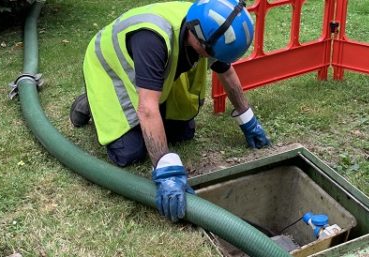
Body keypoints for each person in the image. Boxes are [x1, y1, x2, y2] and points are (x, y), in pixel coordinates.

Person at [69, 0, 270, 222]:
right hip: (110, 71)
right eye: (209, 53)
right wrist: (165, 170)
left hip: (149, 77)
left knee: (183, 132)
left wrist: (247, 118)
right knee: (130, 152)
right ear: (198, 38)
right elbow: (147, 109)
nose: (209, 58)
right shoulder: (152, 40)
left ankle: (140, 95)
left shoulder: (206, 26)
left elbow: (227, 72)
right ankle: (92, 101)